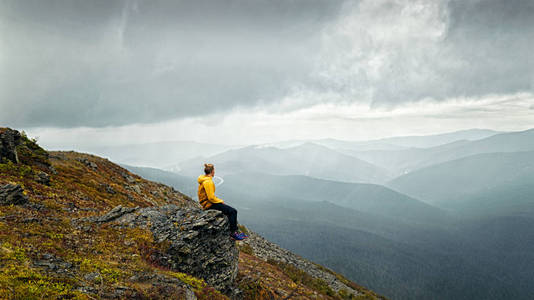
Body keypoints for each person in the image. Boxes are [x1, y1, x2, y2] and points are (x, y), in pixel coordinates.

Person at [197, 163, 248, 240]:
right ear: (212, 171)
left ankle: (234, 231)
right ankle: (233, 233)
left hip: (206, 203)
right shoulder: (208, 182)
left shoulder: (204, 179)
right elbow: (211, 198)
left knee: (228, 211)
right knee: (233, 211)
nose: (214, 172)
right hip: (209, 204)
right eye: (214, 170)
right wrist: (220, 201)